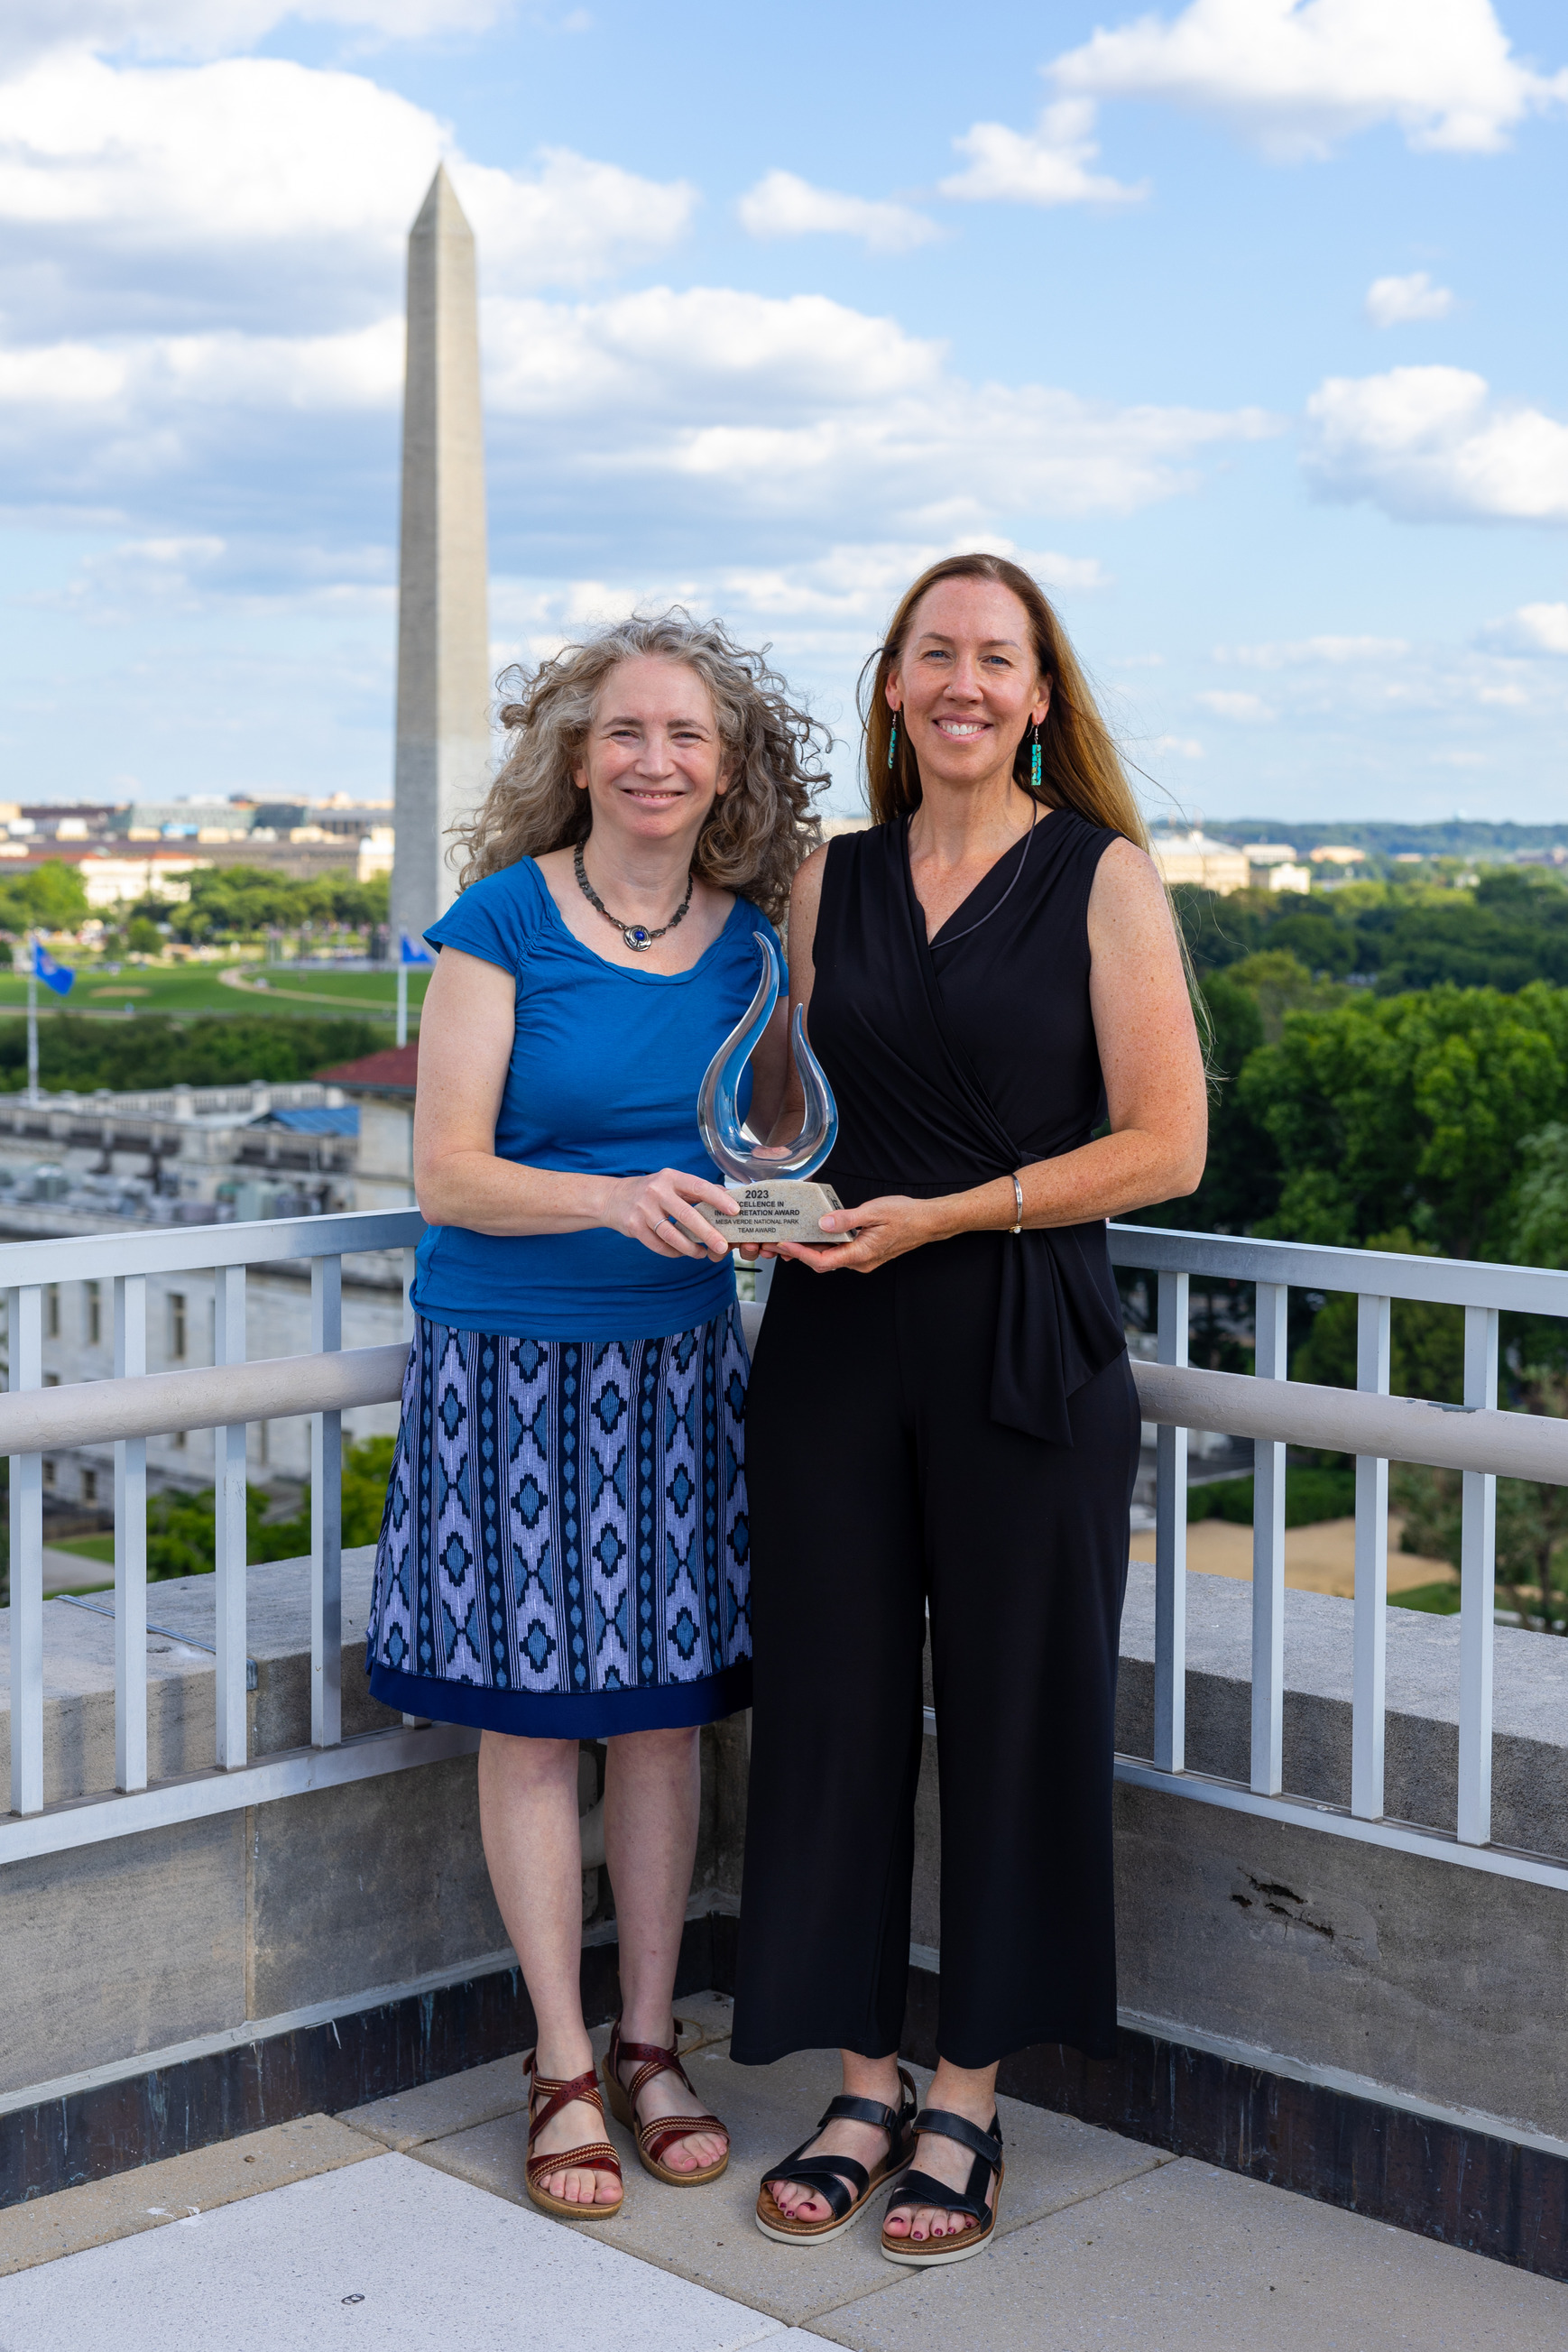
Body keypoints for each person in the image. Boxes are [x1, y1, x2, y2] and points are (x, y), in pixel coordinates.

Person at [731, 553, 1207, 2266]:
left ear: (1038, 698)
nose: (962, 682)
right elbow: (788, 1114)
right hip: (836, 1342)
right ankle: (861, 2081)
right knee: (834, 1714)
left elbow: (1166, 1146)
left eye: (995, 659)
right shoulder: (821, 881)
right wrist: (734, 1196)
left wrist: (950, 1211)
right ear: (889, 686)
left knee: (1014, 1722)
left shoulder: (1103, 877)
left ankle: (968, 2101)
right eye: (934, 653)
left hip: (1020, 1335)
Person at [365, 613, 824, 2219]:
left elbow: (774, 1141)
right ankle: (559, 2058)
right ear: (576, 757)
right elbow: (447, 1176)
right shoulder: (503, 919)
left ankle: (650, 2040)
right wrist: (611, 1202)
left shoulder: (753, 946)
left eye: (686, 736)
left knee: (661, 1713)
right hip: (506, 1364)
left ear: (730, 767)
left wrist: (801, 1208)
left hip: (682, 1369)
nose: (653, 759)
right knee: (530, 1715)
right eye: (624, 732)